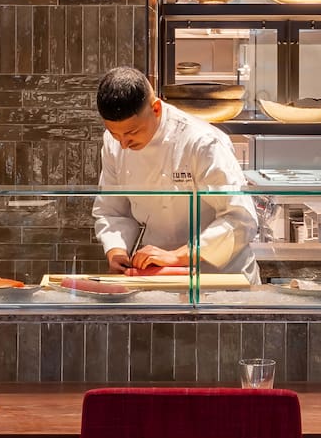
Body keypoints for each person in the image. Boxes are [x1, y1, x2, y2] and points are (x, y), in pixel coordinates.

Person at [91, 66, 259, 282]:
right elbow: (113, 210)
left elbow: (240, 219)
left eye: (132, 132)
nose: (123, 144)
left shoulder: (201, 142)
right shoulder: (114, 144)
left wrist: (177, 256)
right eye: (115, 134)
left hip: (219, 277)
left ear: (156, 109)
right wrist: (116, 250)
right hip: (156, 275)